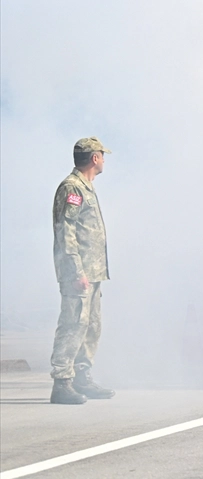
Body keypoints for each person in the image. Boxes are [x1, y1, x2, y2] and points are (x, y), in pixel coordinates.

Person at [49, 137, 116, 405]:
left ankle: (81, 377)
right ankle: (62, 382)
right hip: (79, 272)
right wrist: (77, 271)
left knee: (90, 326)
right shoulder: (72, 188)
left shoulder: (86, 187)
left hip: (94, 271)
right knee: (73, 324)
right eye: (102, 154)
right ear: (95, 158)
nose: (104, 159)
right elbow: (66, 232)